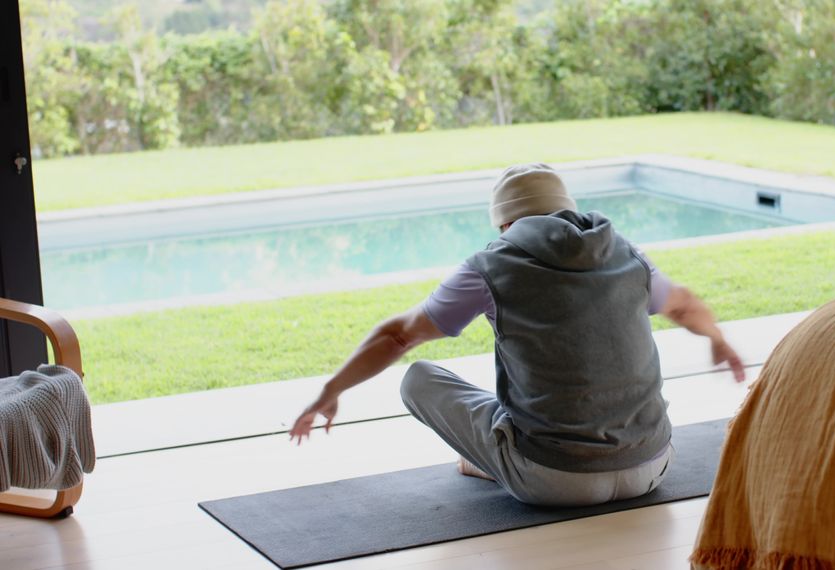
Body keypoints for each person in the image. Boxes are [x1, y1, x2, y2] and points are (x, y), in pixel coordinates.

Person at [289, 163, 746, 507]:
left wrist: (330, 390)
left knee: (419, 378)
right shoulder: (626, 253)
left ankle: (496, 462)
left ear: (505, 223)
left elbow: (396, 337)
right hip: (653, 466)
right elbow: (684, 303)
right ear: (567, 209)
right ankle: (504, 457)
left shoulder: (490, 266)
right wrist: (718, 340)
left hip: (552, 480)